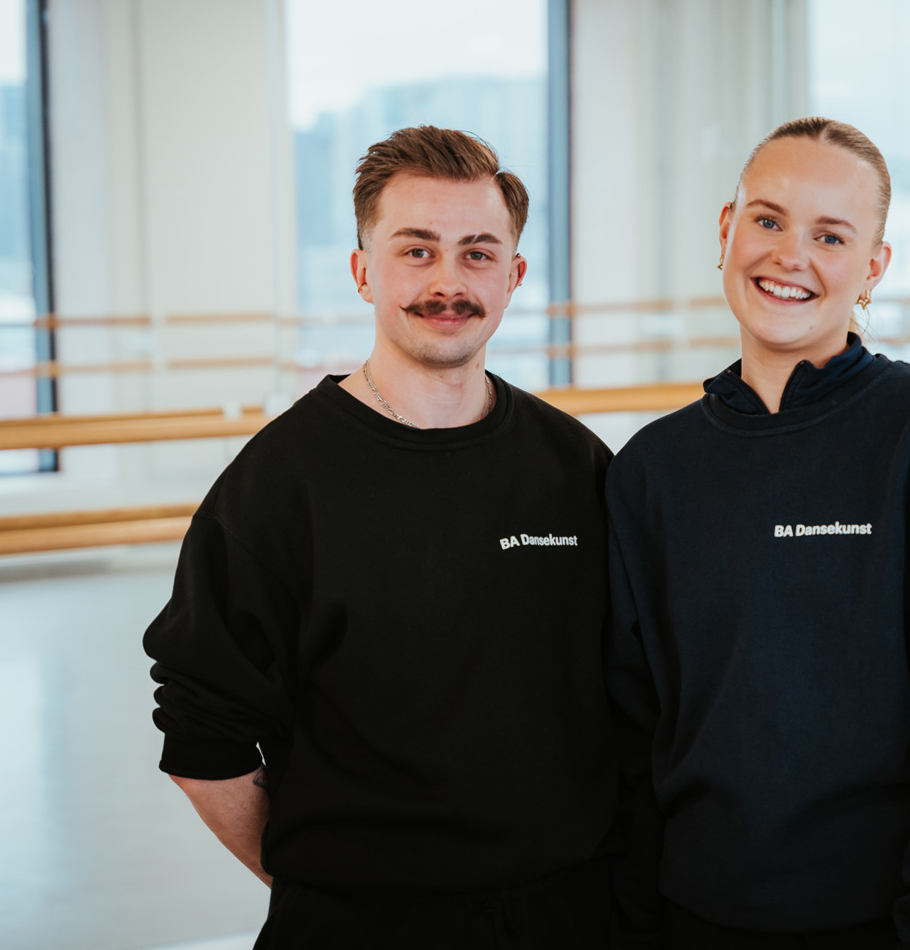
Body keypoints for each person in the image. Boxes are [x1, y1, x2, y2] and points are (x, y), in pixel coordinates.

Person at [144, 125, 619, 949]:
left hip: (567, 915)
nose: (448, 282)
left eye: (477, 253)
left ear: (514, 276)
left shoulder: (573, 464)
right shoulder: (278, 484)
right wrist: (333, 883)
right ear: (364, 271)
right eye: (416, 250)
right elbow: (201, 738)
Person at [604, 117, 910, 949]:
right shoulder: (652, 470)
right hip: (702, 920)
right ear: (726, 230)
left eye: (831, 235)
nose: (791, 255)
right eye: (769, 220)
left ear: (872, 268)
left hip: (905, 925)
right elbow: (631, 736)